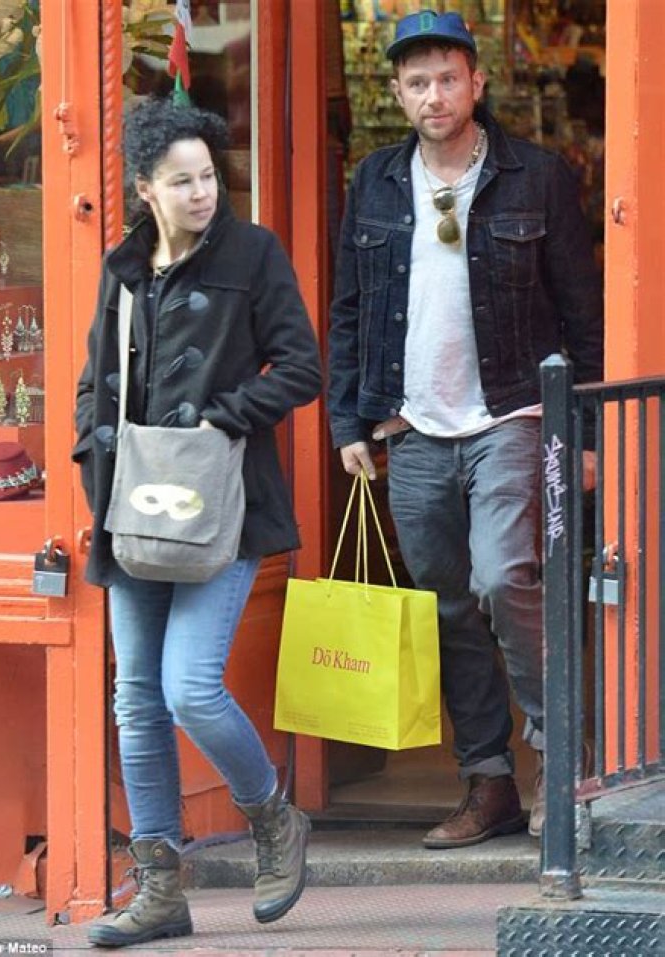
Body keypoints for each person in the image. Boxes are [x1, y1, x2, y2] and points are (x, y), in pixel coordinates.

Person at [327, 10, 602, 848]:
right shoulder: (375, 181)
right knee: (446, 605)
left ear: (476, 83)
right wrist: (349, 417)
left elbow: (583, 310)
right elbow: (349, 309)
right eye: (417, 83)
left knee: (503, 576)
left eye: (448, 78)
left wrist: (587, 431)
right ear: (398, 93)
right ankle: (488, 783)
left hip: (510, 413)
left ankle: (562, 761)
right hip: (411, 425)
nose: (434, 95)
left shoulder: (536, 177)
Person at [73, 96, 322, 947]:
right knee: (137, 698)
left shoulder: (253, 254)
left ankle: (273, 816)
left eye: (209, 176)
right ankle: (159, 890)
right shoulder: (122, 270)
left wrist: (223, 419)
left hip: (225, 505)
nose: (202, 192)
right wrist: (94, 461)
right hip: (134, 511)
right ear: (146, 188)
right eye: (181, 181)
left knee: (189, 686)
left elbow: (301, 367)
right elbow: (92, 384)